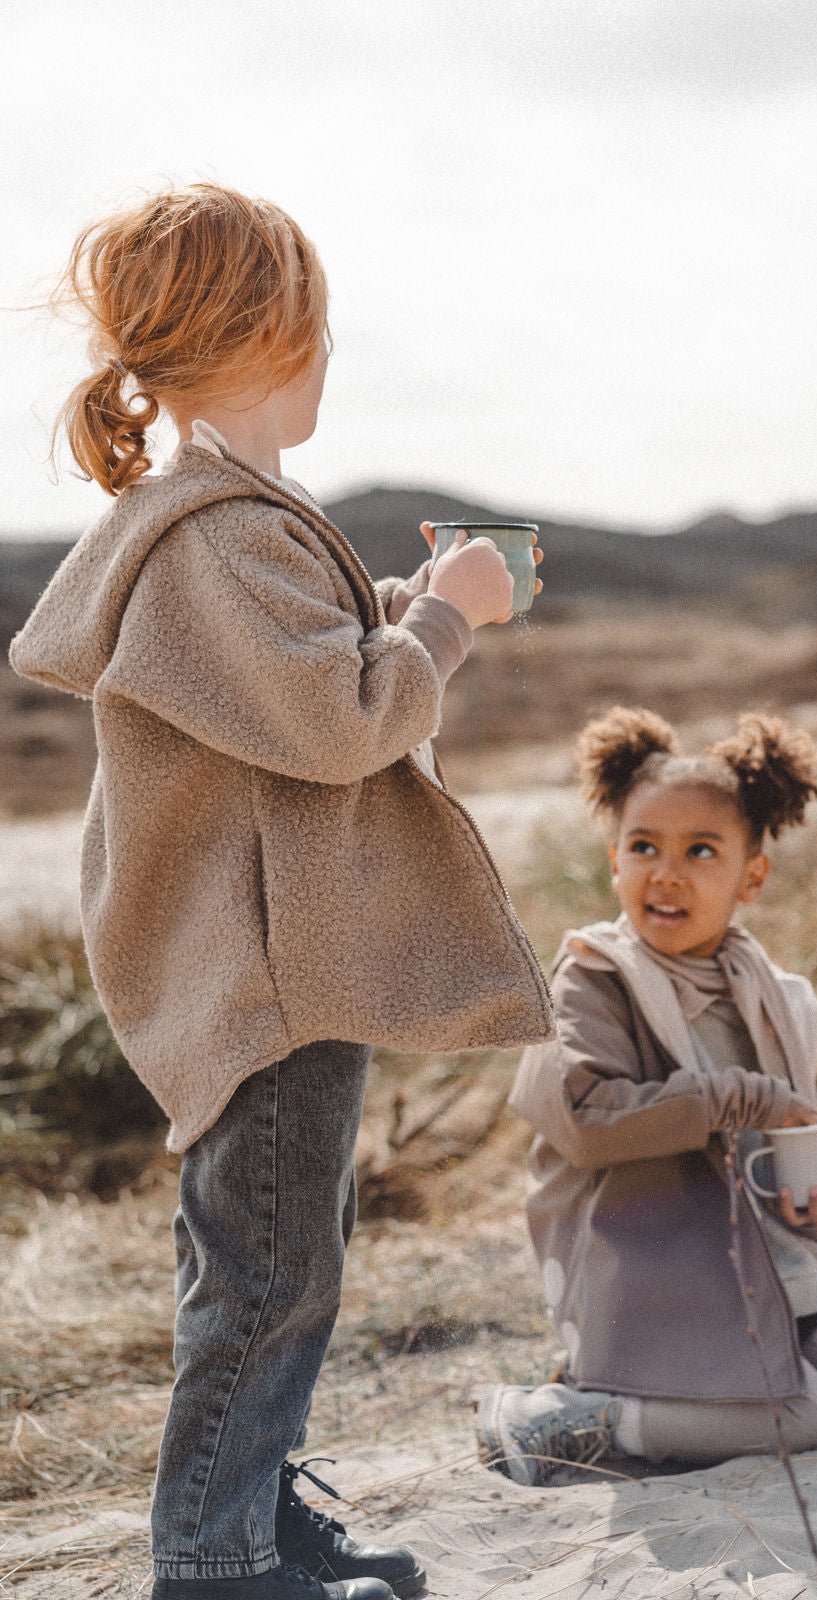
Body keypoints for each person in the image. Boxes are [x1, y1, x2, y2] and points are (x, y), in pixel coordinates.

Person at [10, 183, 555, 1599]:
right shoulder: (216, 535)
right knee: (262, 1274)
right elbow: (341, 724)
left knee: (286, 1258)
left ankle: (255, 1515)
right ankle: (213, 1560)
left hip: (279, 961)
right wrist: (449, 619)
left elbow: (303, 690)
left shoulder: (234, 521)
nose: (328, 353)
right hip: (258, 977)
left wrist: (401, 609)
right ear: (269, 334)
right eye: (317, 325)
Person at [476, 706, 817, 1484]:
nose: (666, 873)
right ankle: (562, 1417)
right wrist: (744, 1097)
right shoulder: (591, 980)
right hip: (647, 1263)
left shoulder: (783, 1001)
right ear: (614, 863)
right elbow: (587, 1122)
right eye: (643, 847)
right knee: (806, 1418)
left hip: (764, 1259)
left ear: (750, 877)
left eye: (700, 851)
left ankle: (719, 1385)